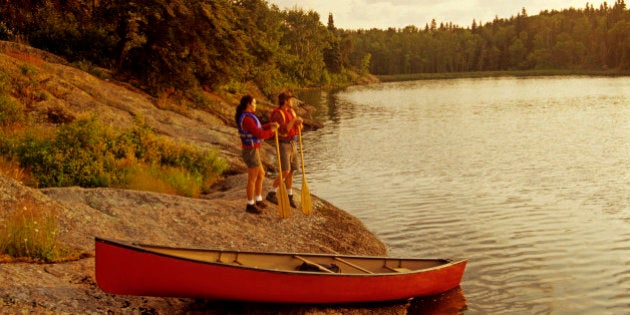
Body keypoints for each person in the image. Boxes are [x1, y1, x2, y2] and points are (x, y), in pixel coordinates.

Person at [236, 95, 279, 214]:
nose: (255, 105)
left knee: (261, 174)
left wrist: (269, 125)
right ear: (249, 104)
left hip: (254, 150)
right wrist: (272, 131)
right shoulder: (247, 118)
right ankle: (250, 204)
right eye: (254, 103)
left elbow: (257, 128)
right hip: (250, 151)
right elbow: (259, 134)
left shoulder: (249, 117)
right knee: (252, 178)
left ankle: (258, 199)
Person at [266, 91, 303, 208]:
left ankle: (289, 195)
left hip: (293, 143)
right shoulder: (278, 114)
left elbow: (297, 128)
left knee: (292, 170)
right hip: (283, 144)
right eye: (290, 100)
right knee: (285, 171)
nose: (292, 101)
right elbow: (283, 131)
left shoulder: (291, 111)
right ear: (285, 101)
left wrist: (299, 124)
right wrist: (293, 121)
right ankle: (272, 192)